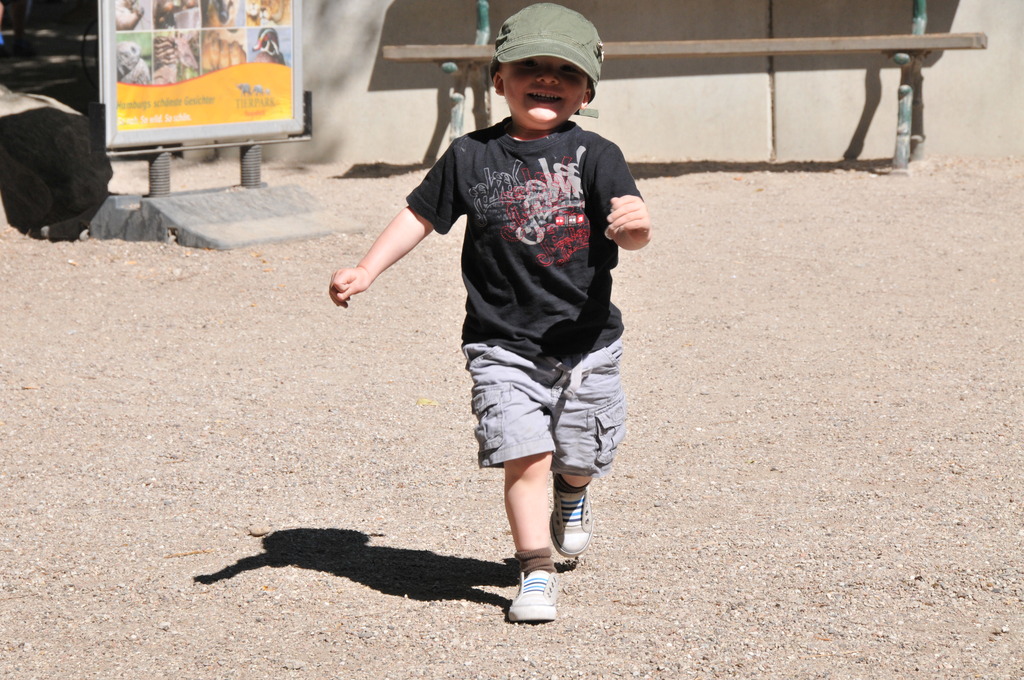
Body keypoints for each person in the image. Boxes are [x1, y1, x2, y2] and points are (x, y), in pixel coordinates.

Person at [328, 2, 651, 623]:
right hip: (501, 343)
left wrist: (635, 229)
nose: (548, 77)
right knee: (524, 454)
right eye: (531, 65)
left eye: (567, 70)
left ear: (587, 92)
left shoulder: (597, 154)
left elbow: (629, 230)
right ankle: (535, 570)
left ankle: (572, 493)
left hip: (586, 344)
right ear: (499, 79)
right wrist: (367, 269)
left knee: (578, 457)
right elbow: (419, 215)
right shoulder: (469, 155)